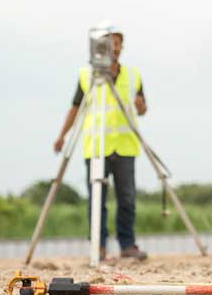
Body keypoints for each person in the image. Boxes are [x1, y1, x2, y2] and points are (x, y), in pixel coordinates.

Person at [54, 22, 148, 261]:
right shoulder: (87, 76)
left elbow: (142, 107)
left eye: (117, 42)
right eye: (109, 42)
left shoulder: (133, 75)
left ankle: (127, 244)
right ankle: (99, 245)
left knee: (127, 198)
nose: (113, 47)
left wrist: (141, 106)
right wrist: (62, 135)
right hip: (97, 146)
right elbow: (76, 107)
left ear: (121, 46)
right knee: (97, 198)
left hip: (125, 145)